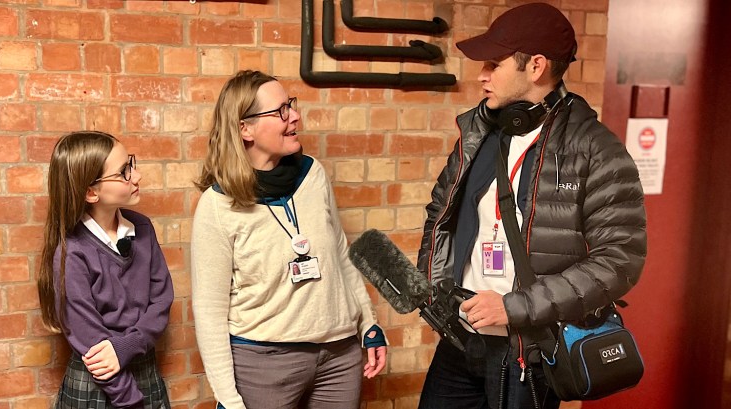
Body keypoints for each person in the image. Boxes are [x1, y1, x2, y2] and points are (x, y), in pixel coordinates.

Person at [415, 4, 647, 409]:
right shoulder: (479, 134)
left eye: (494, 63)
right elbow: (440, 215)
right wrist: (434, 289)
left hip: (530, 353)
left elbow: (618, 262)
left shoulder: (596, 150)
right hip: (461, 341)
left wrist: (512, 307)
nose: (482, 74)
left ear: (536, 66)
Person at [190, 70, 388, 409]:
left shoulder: (313, 174)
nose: (294, 116)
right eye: (280, 110)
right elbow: (209, 312)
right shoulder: (217, 204)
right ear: (244, 128)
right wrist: (228, 399)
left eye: (291, 106)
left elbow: (341, 255)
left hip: (339, 357)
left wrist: (368, 322)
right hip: (264, 362)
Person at [37, 131, 174, 409]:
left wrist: (127, 345)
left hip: (145, 372)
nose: (137, 176)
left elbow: (161, 301)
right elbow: (91, 342)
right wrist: (130, 400)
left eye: (132, 164)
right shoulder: (71, 252)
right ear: (91, 192)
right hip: (98, 388)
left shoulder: (143, 228)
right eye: (124, 171)